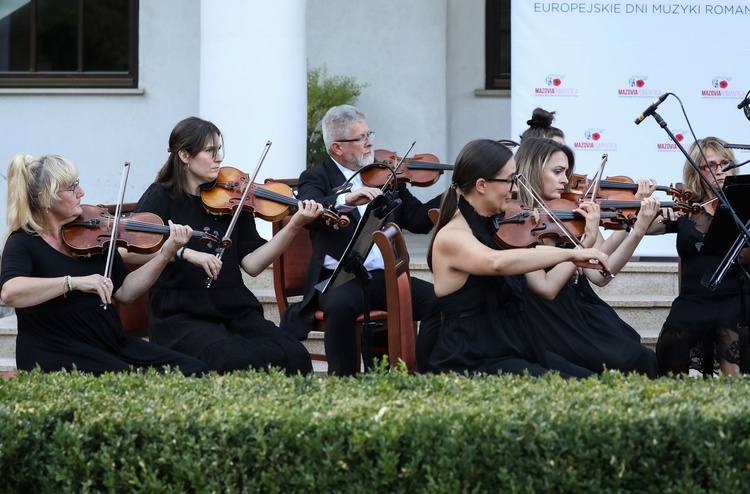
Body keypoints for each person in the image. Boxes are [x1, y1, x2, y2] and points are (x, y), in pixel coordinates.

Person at [125, 116, 321, 375]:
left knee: (294, 355)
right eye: (210, 151)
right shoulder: (161, 196)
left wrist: (293, 226)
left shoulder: (234, 197)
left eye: (219, 150)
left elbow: (252, 264)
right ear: (184, 155)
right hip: (180, 312)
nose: (219, 158)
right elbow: (128, 251)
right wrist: (182, 252)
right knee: (230, 359)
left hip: (234, 307)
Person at [0, 153, 208, 376]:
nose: (81, 193)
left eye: (77, 184)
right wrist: (74, 282)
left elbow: (126, 292)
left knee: (194, 369)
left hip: (111, 344)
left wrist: (165, 254)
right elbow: (10, 293)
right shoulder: (23, 241)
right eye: (71, 188)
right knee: (138, 382)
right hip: (58, 351)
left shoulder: (92, 233)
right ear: (44, 199)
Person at [424, 138, 613, 378]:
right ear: (482, 185)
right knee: (580, 386)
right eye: (510, 180)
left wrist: (581, 248)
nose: (515, 189)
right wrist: (573, 253)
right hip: (472, 357)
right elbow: (497, 262)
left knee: (592, 379)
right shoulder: (453, 236)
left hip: (506, 345)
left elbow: (532, 253)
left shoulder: (491, 224)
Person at [279, 104, 442, 376]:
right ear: (337, 148)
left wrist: (454, 194)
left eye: (369, 134)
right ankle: (344, 384)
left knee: (439, 301)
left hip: (384, 276)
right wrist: (345, 200)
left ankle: (422, 373)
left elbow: (417, 219)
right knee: (340, 306)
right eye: (360, 138)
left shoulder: (384, 175)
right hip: (339, 281)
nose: (370, 143)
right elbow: (313, 210)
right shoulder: (316, 177)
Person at [510, 137, 661, 377]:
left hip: (571, 311)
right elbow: (546, 289)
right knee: (630, 358)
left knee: (639, 354)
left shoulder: (568, 213)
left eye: (566, 172)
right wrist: (584, 244)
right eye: (557, 172)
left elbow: (601, 274)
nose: (565, 180)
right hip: (543, 319)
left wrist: (636, 228)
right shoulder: (516, 222)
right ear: (532, 170)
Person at [654, 136, 743, 376]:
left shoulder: (744, 205)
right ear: (696, 171)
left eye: (726, 164)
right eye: (710, 165)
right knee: (673, 340)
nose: (720, 171)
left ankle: (735, 410)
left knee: (730, 341)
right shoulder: (685, 208)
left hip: (734, 296)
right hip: (694, 299)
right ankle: (679, 408)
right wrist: (649, 212)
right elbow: (644, 227)